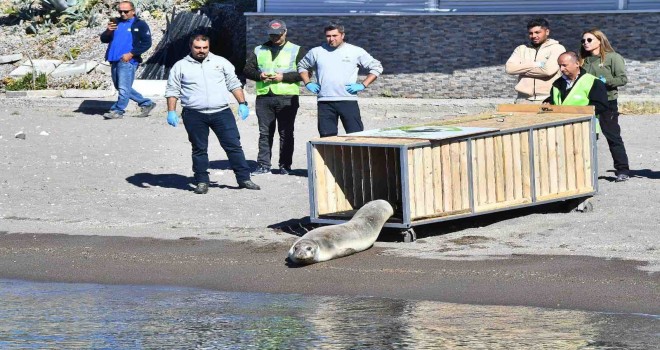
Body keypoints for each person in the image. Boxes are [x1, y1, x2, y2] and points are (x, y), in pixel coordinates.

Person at [164, 34, 260, 194]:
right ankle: (201, 181)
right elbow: (172, 90)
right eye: (197, 48)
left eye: (205, 47)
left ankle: (244, 178)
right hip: (194, 114)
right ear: (191, 47)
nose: (201, 51)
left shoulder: (221, 63)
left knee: (234, 146)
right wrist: (171, 111)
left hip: (221, 112)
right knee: (199, 149)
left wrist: (242, 103)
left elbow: (234, 83)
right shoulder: (180, 66)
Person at [543, 51, 630, 182]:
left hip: (584, 126)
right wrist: (548, 102)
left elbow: (600, 105)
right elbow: (556, 99)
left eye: (565, 65)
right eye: (559, 65)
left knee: (585, 155)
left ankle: (590, 180)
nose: (561, 69)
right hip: (562, 126)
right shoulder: (557, 83)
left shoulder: (592, 82)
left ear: (577, 63)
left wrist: (579, 111)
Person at [243, 20, 307, 175]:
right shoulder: (259, 49)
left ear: (285, 32)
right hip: (264, 96)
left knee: (286, 132)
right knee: (264, 133)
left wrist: (283, 77)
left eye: (278, 35)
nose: (275, 38)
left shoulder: (296, 50)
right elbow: (247, 70)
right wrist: (259, 75)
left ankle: (285, 165)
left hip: (287, 97)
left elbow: (305, 73)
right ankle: (264, 165)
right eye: (272, 35)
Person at [298, 22, 383, 137]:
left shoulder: (355, 51)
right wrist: (307, 83)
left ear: (342, 35)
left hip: (347, 99)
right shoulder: (316, 52)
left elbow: (377, 67)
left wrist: (363, 84)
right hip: (325, 101)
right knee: (327, 138)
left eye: (334, 36)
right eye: (328, 36)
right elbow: (302, 66)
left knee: (356, 136)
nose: (331, 39)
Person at [579, 28, 630, 182]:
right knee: (586, 137)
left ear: (600, 41)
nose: (585, 43)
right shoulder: (583, 60)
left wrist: (604, 82)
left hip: (608, 102)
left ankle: (622, 170)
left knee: (612, 136)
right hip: (587, 103)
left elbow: (622, 79)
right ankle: (585, 172)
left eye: (589, 40)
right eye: (583, 41)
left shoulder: (613, 57)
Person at [99, 1, 156, 119]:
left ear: (133, 11)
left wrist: (131, 54)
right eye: (120, 11)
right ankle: (146, 103)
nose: (123, 14)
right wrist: (108, 30)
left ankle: (117, 110)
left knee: (123, 88)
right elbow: (104, 39)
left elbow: (147, 43)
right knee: (120, 87)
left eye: (126, 11)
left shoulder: (140, 24)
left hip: (128, 61)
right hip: (114, 59)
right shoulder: (116, 22)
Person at [505, 18, 566, 104]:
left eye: (537, 32)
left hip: (547, 99)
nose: (533, 36)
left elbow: (548, 71)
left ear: (547, 32)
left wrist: (521, 69)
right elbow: (509, 69)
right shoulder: (521, 49)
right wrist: (536, 64)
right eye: (531, 33)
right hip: (523, 99)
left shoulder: (557, 48)